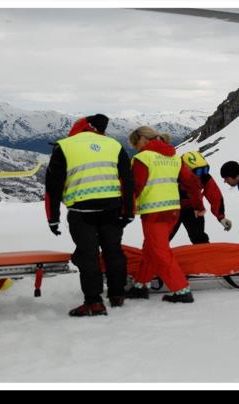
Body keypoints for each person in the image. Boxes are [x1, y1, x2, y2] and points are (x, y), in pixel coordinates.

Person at [45, 114, 134, 316]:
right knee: (114, 252)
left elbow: (53, 187)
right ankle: (117, 295)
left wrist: (53, 217)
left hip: (81, 211)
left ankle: (94, 302)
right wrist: (128, 210)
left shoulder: (64, 146)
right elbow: (127, 180)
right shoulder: (113, 145)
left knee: (88, 256)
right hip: (112, 208)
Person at [125, 126, 205, 303]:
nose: (135, 148)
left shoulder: (142, 158)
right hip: (173, 212)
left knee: (160, 252)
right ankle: (140, 285)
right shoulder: (174, 157)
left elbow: (135, 187)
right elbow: (192, 182)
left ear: (142, 140)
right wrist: (198, 205)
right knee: (151, 249)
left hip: (154, 213)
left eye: (135, 143)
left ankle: (181, 290)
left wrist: (125, 211)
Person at [169, 151, 232, 244]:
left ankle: (206, 257)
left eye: (204, 170)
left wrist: (221, 217)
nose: (201, 174)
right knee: (162, 238)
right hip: (171, 209)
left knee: (199, 238)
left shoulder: (204, 177)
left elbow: (215, 196)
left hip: (194, 210)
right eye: (197, 171)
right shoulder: (172, 176)